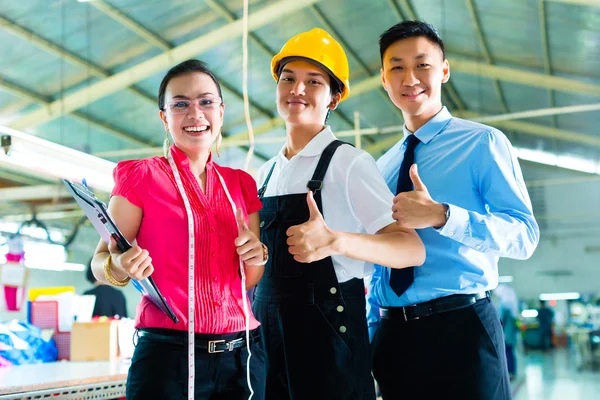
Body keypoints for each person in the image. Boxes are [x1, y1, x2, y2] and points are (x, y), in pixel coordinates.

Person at [367, 21, 540, 400]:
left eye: (422, 64)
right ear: (383, 78)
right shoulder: (380, 167)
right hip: (394, 337)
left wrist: (443, 216)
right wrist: (372, 335)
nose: (409, 78)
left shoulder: (482, 143)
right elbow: (377, 260)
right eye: (396, 67)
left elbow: (524, 236)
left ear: (444, 69)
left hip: (463, 330)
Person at [253, 28, 425, 400]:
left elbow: (411, 249)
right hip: (267, 340)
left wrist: (336, 241)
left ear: (333, 97)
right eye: (288, 78)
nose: (297, 89)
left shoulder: (348, 163)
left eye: (313, 81)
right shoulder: (264, 174)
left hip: (328, 338)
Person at [91, 59, 267, 399]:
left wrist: (258, 253)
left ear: (220, 110)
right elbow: (99, 263)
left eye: (205, 102)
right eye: (180, 104)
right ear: (164, 117)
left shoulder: (240, 185)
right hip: (169, 357)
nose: (195, 114)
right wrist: (119, 266)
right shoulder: (141, 176)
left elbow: (251, 277)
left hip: (242, 355)